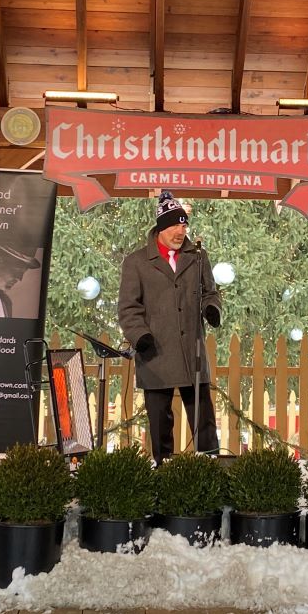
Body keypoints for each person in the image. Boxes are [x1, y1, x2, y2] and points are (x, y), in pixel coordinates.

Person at [118, 191, 222, 464]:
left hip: (192, 353)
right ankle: (163, 468)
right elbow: (128, 308)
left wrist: (211, 308)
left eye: (184, 224)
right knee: (160, 421)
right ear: (161, 228)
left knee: (203, 418)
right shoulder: (136, 262)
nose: (181, 230)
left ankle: (210, 467)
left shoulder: (198, 257)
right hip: (155, 353)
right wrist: (139, 335)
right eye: (175, 225)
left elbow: (211, 292)